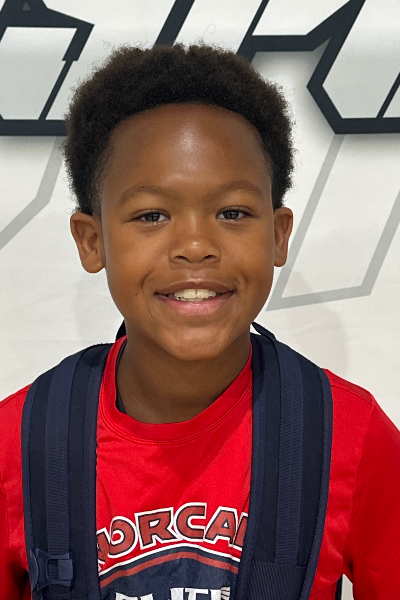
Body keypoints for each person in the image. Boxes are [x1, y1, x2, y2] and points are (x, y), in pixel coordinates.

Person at [1, 43, 399, 600]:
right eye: (152, 215)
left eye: (232, 212)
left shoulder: (349, 437)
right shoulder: (20, 443)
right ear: (92, 241)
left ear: (278, 235)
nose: (194, 245)